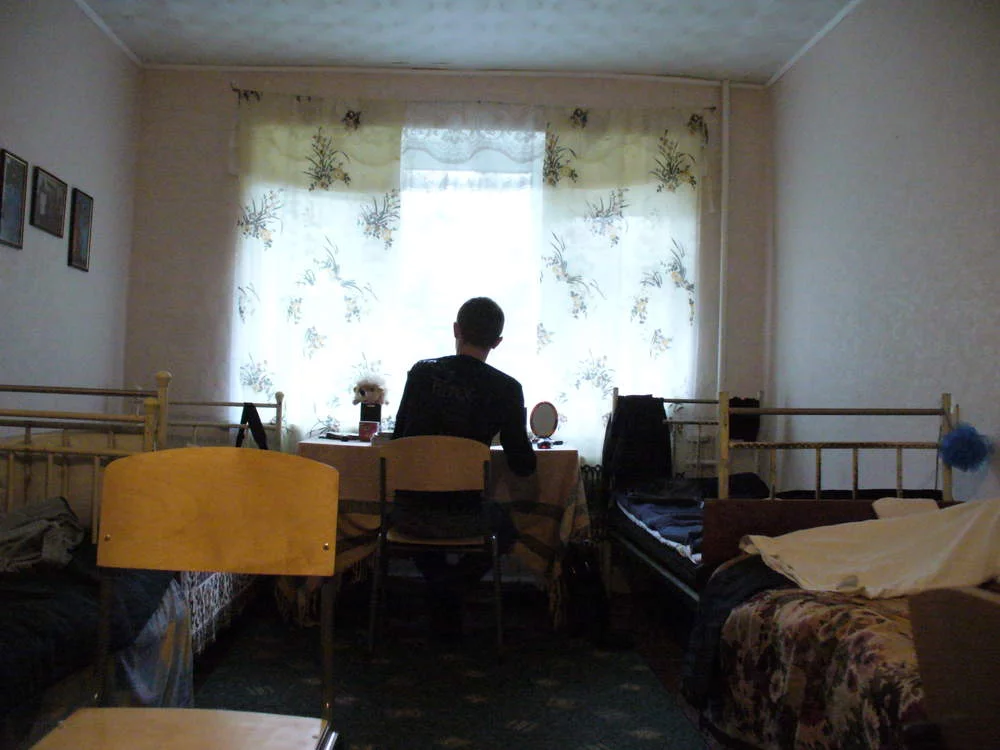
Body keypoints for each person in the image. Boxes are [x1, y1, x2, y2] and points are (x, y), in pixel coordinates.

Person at [392, 296, 536, 636]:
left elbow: (399, 440)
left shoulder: (421, 373)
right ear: (497, 342)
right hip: (469, 517)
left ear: (456, 329)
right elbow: (522, 466)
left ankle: (440, 589)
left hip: (410, 514)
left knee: (415, 505)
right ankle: (452, 588)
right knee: (507, 529)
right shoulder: (507, 388)